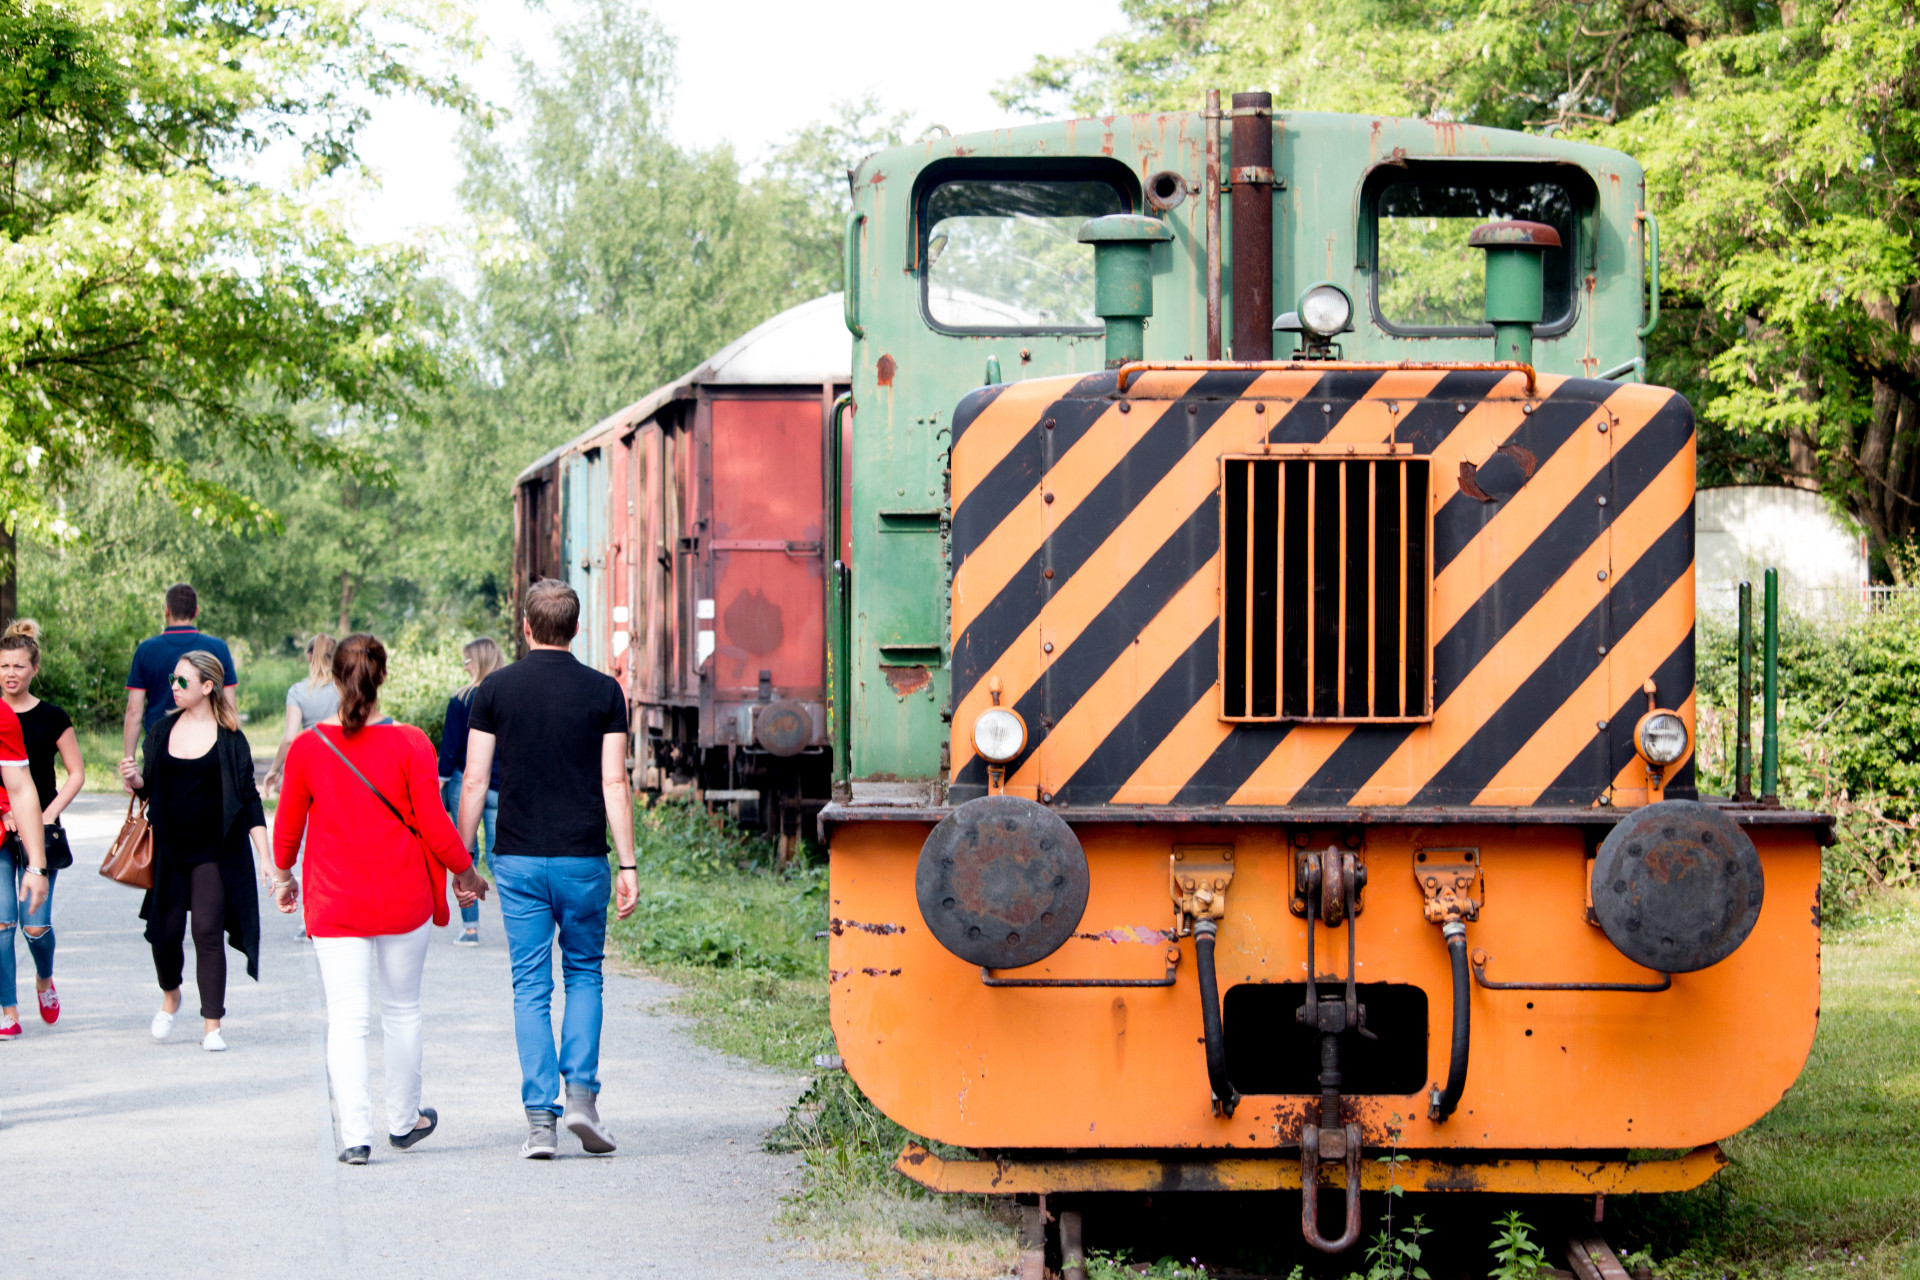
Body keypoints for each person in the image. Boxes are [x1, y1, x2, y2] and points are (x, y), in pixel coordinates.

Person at [270, 633, 489, 1165]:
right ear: (381, 677)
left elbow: (287, 829)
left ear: (334, 676)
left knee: (347, 1019)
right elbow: (436, 826)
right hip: (403, 899)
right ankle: (402, 1120)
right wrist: (468, 873)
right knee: (402, 1010)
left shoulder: (307, 748)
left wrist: (283, 879)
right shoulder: (411, 743)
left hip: (335, 903)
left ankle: (355, 1137)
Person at [460, 579, 638, 1159]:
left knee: (531, 985)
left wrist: (462, 861)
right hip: (582, 857)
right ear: (577, 628)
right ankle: (582, 1097)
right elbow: (615, 781)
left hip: (515, 858)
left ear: (527, 627)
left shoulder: (493, 691)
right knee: (584, 972)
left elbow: (476, 780)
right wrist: (628, 862)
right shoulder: (604, 692)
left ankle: (541, 1122)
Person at [119, 651, 270, 1052]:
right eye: (173, 678)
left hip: (214, 852)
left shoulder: (231, 739)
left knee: (206, 930)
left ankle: (212, 1025)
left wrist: (266, 860)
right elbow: (150, 789)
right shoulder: (162, 731)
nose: (174, 685)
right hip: (170, 852)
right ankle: (171, 996)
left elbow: (250, 801)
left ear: (207, 687)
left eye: (183, 680)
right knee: (164, 935)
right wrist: (136, 779)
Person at [0, 620, 81, 1033]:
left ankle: (44, 977)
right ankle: (8, 1011)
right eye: (3, 666)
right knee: (2, 923)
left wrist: (45, 814)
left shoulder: (52, 716)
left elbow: (76, 773)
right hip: (0, 829)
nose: (10, 673)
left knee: (34, 927)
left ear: (34, 668)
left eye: (18, 665)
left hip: (40, 831)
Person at [123, 584, 238, 764]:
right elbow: (229, 707)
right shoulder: (218, 648)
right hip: (209, 747)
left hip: (159, 748)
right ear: (196, 611)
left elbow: (134, 711)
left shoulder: (146, 650)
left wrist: (128, 760)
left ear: (167, 610)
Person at [439, 637, 505, 947]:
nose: (464, 666)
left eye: (467, 660)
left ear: (477, 662)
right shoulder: (511, 698)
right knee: (498, 858)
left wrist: (439, 782)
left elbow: (450, 749)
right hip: (501, 787)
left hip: (464, 784)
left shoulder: (461, 699)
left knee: (465, 856)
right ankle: (519, 919)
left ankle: (471, 929)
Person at [0, 635, 48, 1041]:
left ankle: (38, 983)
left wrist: (36, 864)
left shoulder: (3, 717)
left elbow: (20, 787)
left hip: (7, 837)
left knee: (20, 926)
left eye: (17, 665)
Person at [263, 633, 339, 796]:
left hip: (309, 768)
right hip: (340, 766)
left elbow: (289, 738)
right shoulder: (346, 690)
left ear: (308, 657)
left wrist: (274, 769)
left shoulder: (298, 692)